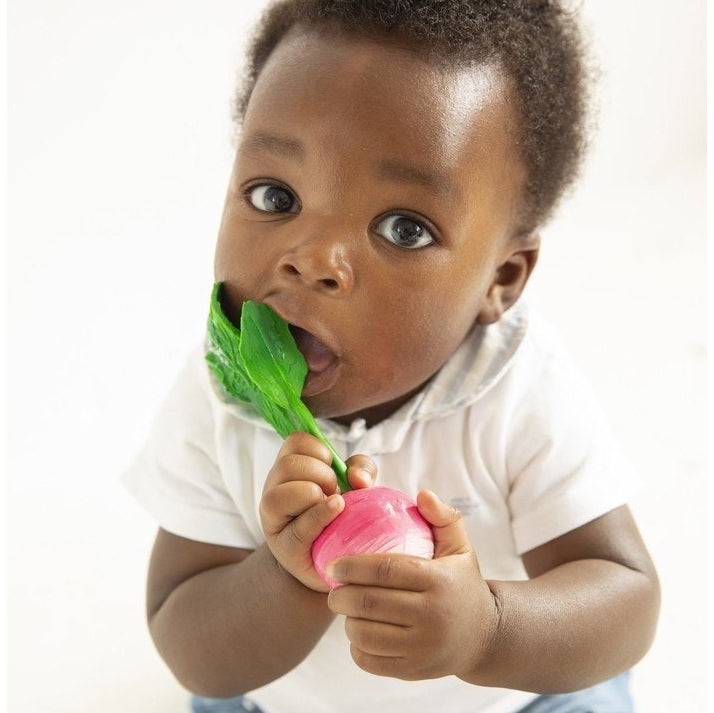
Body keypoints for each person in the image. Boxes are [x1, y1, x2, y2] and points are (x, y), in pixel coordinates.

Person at [123, 1, 661, 712]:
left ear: (500, 279)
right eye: (274, 194)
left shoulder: (518, 389)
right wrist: (291, 574)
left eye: (404, 228)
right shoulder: (219, 400)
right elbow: (189, 645)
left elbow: (626, 596)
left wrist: (488, 627)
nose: (312, 260)